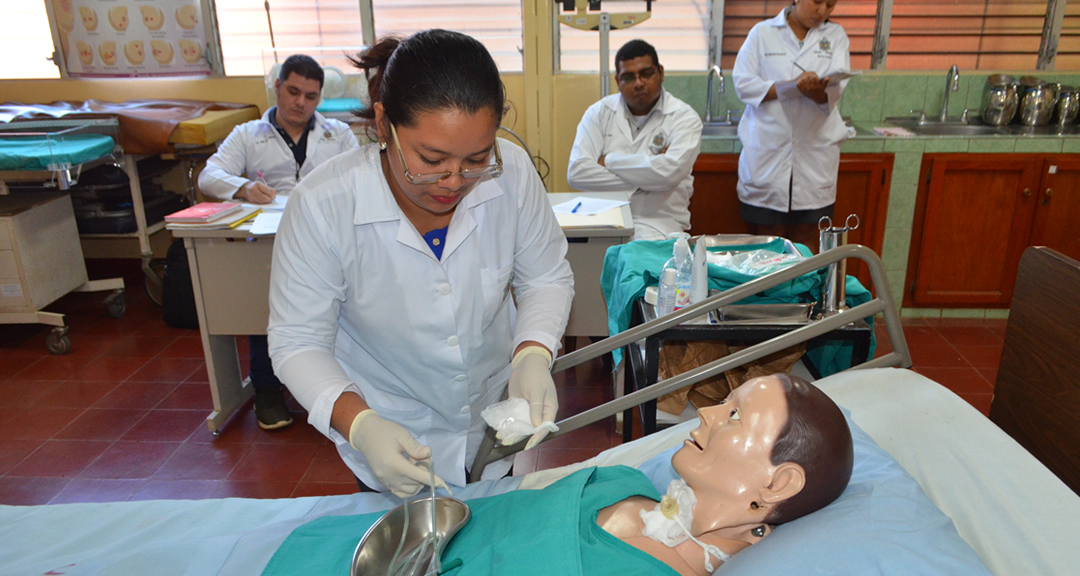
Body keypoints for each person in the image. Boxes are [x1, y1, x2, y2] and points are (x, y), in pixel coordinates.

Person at [267, 30, 575, 496]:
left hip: (490, 424)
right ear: (384, 123)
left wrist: (532, 353)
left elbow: (546, 278)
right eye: (431, 160)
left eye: (476, 159)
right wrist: (361, 425)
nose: (454, 181)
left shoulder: (510, 173)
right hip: (389, 430)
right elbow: (296, 342)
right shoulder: (323, 205)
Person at [262, 373, 854, 576]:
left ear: (776, 486)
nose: (704, 411)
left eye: (733, 416)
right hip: (367, 546)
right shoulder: (626, 483)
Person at [197, 54, 359, 430]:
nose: (300, 102)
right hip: (266, 242)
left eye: (311, 96)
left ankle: (334, 392)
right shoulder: (248, 135)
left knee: (336, 309)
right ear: (278, 87)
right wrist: (244, 187)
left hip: (327, 239)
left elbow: (359, 179)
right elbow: (210, 176)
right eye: (293, 91)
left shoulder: (339, 134)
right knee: (261, 307)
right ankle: (267, 391)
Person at [733, 0, 850, 251]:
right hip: (768, 154)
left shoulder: (836, 36)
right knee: (767, 242)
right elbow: (743, 83)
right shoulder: (762, 33)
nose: (823, 11)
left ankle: (801, 290)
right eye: (817, 2)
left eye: (830, 5)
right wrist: (791, 87)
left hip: (814, 156)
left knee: (807, 241)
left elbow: (835, 91)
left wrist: (816, 92)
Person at [567, 39, 703, 241]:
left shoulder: (684, 118)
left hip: (659, 226)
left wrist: (610, 160)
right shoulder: (599, 113)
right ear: (617, 81)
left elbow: (668, 174)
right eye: (628, 77)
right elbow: (577, 173)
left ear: (661, 73)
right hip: (603, 220)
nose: (639, 83)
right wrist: (647, 179)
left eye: (646, 74)